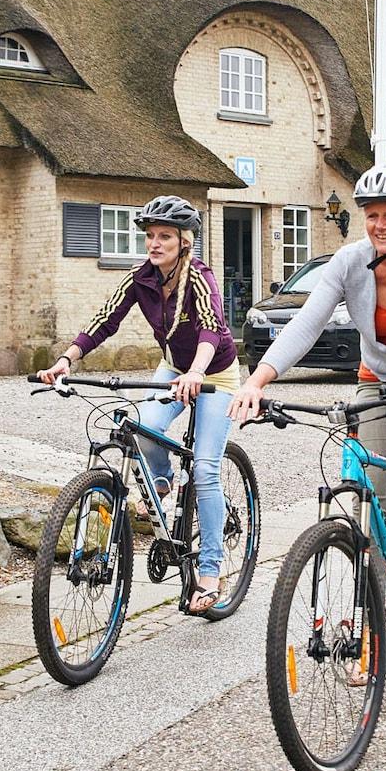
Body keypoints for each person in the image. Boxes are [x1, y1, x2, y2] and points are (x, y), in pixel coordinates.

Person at [229, 163, 386, 582]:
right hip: (378, 382)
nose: (380, 225)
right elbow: (306, 324)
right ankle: (371, 621)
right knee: (370, 503)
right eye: (372, 215)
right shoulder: (349, 261)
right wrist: (256, 381)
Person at [39, 195, 238, 613]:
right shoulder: (140, 278)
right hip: (172, 368)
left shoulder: (200, 278)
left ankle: (210, 569)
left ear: (185, 241)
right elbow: (104, 320)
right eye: (150, 236)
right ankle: (162, 478)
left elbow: (212, 330)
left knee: (204, 469)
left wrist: (198, 373)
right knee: (143, 426)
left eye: (165, 236)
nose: (154, 243)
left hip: (214, 374)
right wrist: (65, 360)